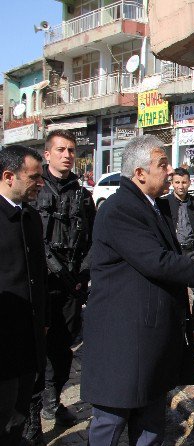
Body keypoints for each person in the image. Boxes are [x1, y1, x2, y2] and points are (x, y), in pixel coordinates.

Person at [81, 135, 194, 446]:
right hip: (124, 343)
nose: (169, 172)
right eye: (161, 165)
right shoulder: (120, 209)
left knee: (151, 425)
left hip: (150, 342)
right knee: (111, 422)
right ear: (139, 173)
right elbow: (160, 262)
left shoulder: (154, 206)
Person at [24, 130, 97, 443]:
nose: (67, 155)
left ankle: (54, 403)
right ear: (47, 154)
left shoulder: (83, 196)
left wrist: (83, 274)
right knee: (34, 356)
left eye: (71, 150)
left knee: (63, 350)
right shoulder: (33, 192)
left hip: (71, 288)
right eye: (61, 149)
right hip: (39, 287)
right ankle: (32, 423)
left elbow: (95, 240)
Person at [0, 145, 48, 445]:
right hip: (2, 342)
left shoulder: (30, 217)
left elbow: (38, 275)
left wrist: (42, 319)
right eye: (34, 177)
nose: (41, 184)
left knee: (19, 414)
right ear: (8, 176)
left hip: (29, 339)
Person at [167, 167, 194, 341]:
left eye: (184, 182)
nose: (181, 186)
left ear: (190, 182)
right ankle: (178, 324)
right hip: (175, 252)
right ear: (172, 183)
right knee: (176, 290)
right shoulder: (165, 203)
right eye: (177, 182)